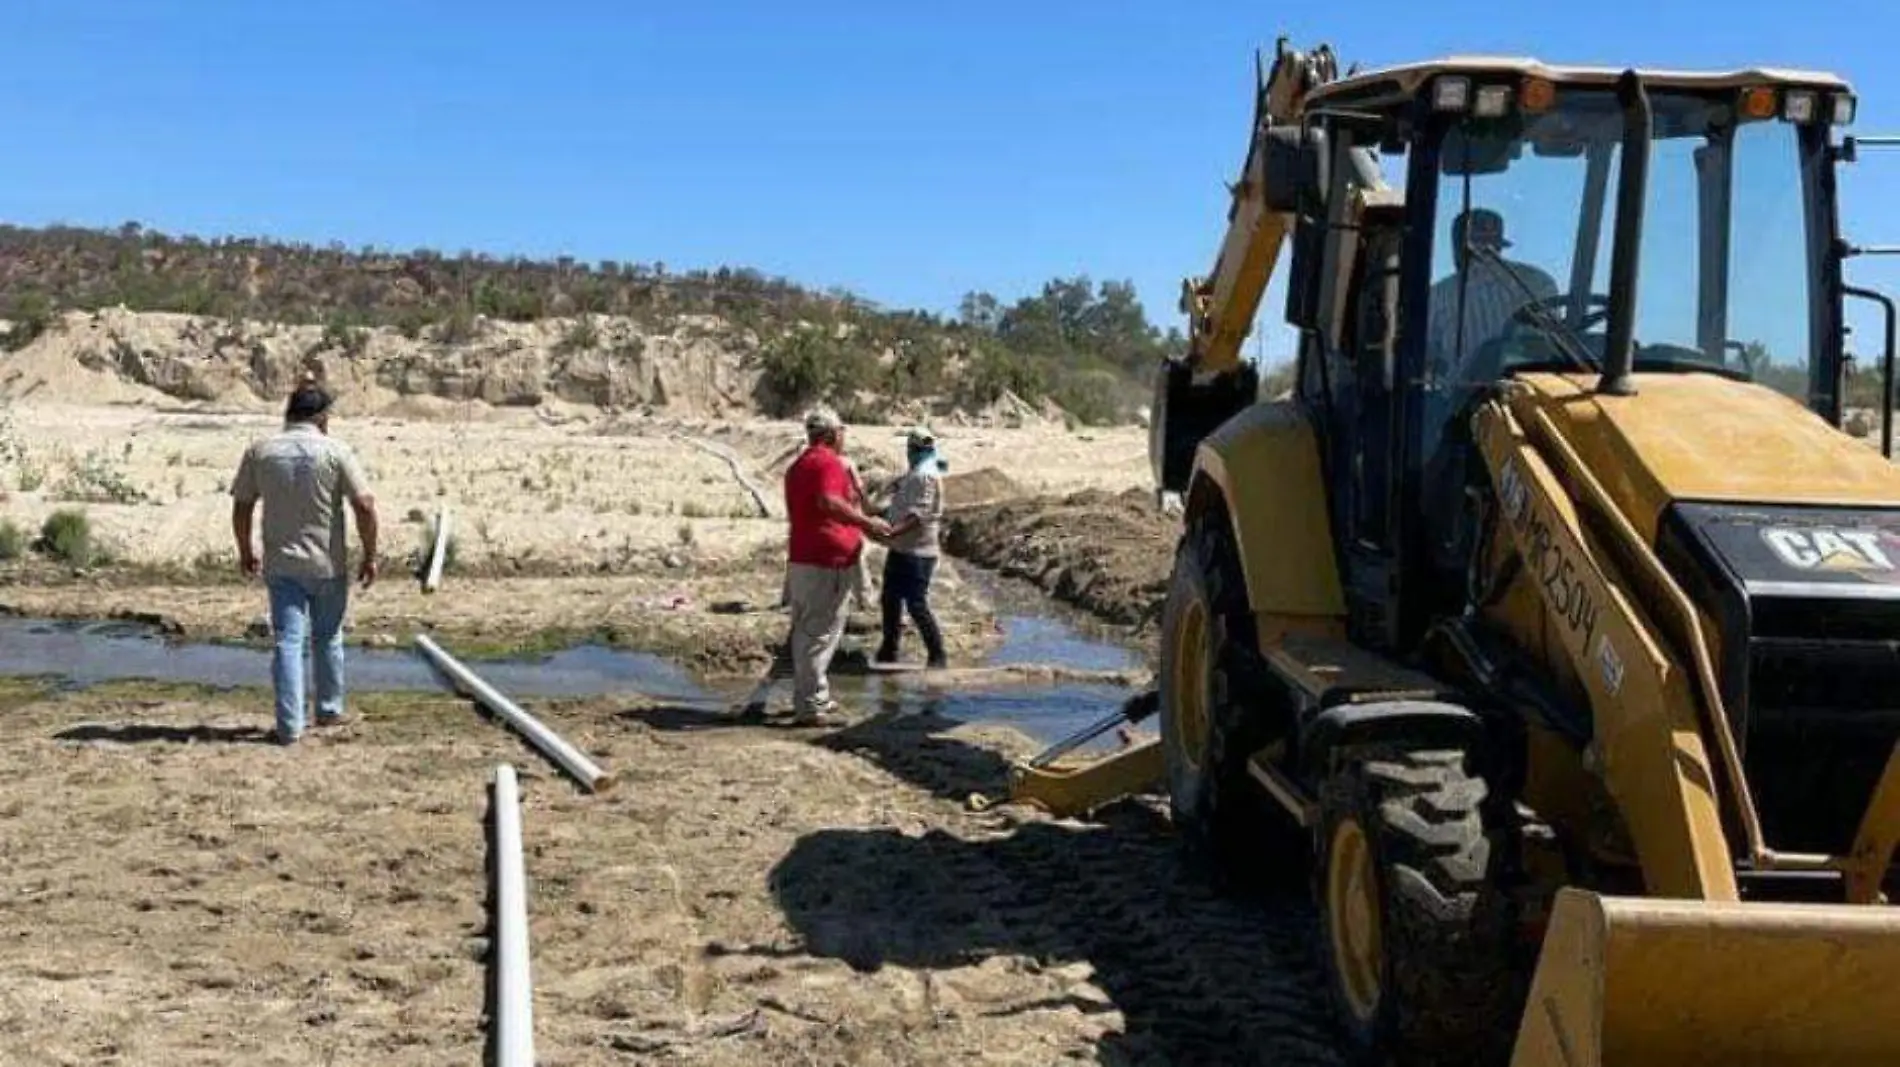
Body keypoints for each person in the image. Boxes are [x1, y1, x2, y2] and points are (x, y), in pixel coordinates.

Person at [230, 380, 379, 745]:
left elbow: (242, 504)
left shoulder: (260, 451)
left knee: (288, 642)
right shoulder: (335, 451)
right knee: (328, 637)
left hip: (283, 563)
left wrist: (246, 550)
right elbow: (364, 505)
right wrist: (370, 554)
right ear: (322, 417)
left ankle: (289, 724)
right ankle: (328, 709)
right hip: (327, 562)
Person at [742, 407, 891, 725]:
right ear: (832, 433)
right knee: (818, 634)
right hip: (827, 558)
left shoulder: (799, 465)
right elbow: (828, 501)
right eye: (842, 431)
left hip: (804, 556)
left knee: (808, 629)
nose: (844, 437)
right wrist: (867, 522)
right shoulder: (828, 462)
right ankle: (809, 707)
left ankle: (814, 696)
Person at [1426, 208, 1561, 376]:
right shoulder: (1540, 281)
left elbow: (1423, 357)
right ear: (1499, 244)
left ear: (1458, 246)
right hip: (1535, 392)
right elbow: (1554, 341)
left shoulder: (1439, 295)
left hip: (1467, 397)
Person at [874, 427, 948, 670]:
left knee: (916, 604)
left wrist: (892, 532)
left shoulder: (925, 474)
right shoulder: (924, 469)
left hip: (918, 551)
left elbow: (919, 514)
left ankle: (937, 656)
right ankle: (889, 649)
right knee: (890, 599)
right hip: (902, 548)